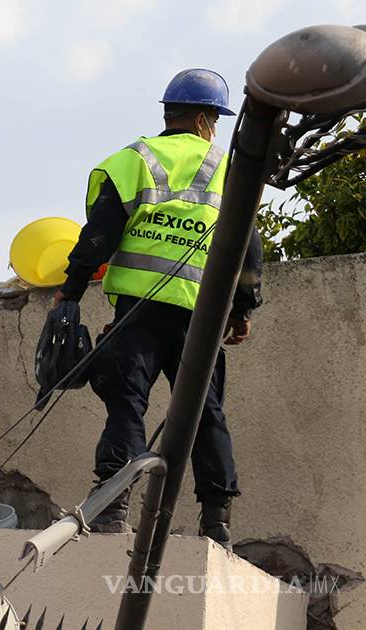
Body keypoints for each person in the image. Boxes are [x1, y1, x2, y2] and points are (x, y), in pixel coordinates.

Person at [54, 69, 263, 546]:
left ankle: (113, 509)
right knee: (206, 412)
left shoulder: (134, 160)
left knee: (127, 405)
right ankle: (217, 521)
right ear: (204, 118)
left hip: (139, 312)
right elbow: (248, 247)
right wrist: (242, 311)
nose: (215, 129)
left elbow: (100, 235)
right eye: (215, 121)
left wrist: (72, 288)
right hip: (201, 315)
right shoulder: (230, 168)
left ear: (170, 114)